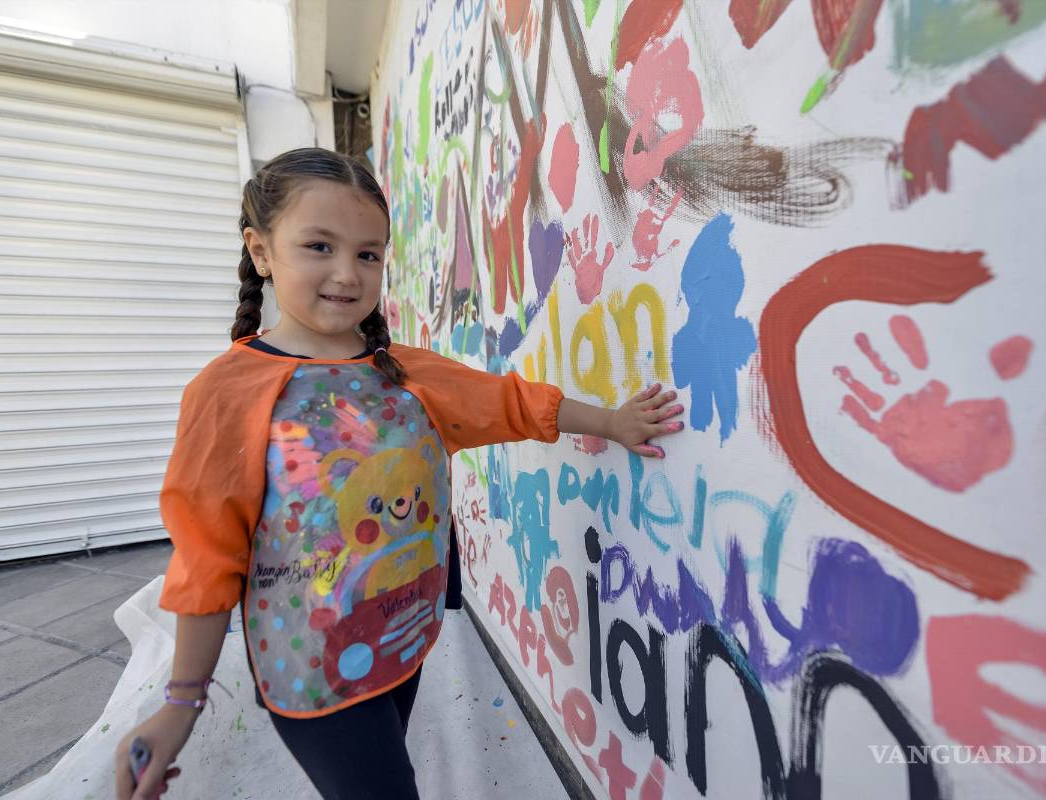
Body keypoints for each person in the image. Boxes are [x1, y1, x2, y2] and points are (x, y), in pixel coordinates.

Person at [114, 147, 685, 800]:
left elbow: (509, 404)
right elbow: (206, 561)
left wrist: (613, 422)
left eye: (368, 254)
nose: (347, 273)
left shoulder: (403, 371)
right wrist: (180, 707)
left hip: (400, 644)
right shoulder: (227, 393)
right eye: (319, 246)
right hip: (314, 675)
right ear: (262, 250)